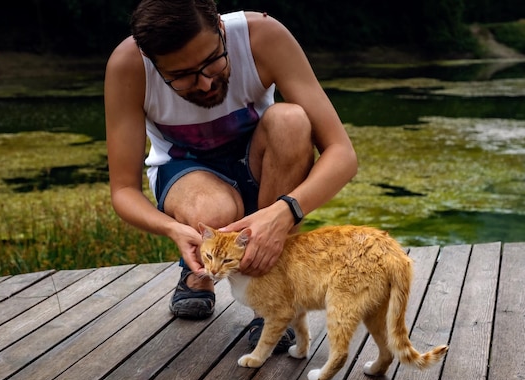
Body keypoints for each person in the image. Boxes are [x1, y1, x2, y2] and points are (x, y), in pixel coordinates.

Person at [105, 0, 357, 351]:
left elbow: (342, 155)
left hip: (261, 164)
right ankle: (195, 271)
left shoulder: (263, 37)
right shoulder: (128, 66)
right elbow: (123, 191)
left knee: (292, 120)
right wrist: (173, 229)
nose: (206, 83)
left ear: (221, 30)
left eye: (212, 62)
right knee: (213, 211)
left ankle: (272, 296)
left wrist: (284, 213)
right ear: (152, 62)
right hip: (186, 173)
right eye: (182, 76)